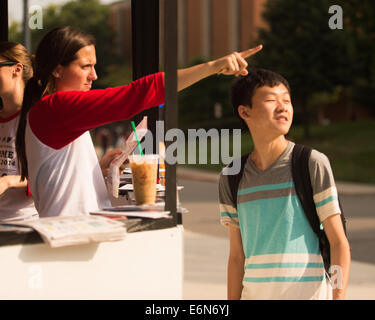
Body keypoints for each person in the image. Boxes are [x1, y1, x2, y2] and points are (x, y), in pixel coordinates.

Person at [16, 26, 262, 218]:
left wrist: (99, 169)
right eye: (85, 66)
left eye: (94, 66)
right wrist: (214, 66)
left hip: (80, 231)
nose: (94, 75)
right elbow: (137, 95)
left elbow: (59, 176)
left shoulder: (53, 110)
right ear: (57, 70)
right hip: (70, 238)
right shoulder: (54, 108)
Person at [219, 68, 350, 300]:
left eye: (287, 101)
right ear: (244, 111)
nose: (283, 107)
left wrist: (338, 296)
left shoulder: (311, 163)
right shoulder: (232, 176)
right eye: (271, 100)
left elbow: (338, 242)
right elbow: (237, 256)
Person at [0, 42, 38, 222]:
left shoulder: (37, 119)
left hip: (24, 222)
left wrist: (8, 181)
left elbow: (47, 177)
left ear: (17, 69)